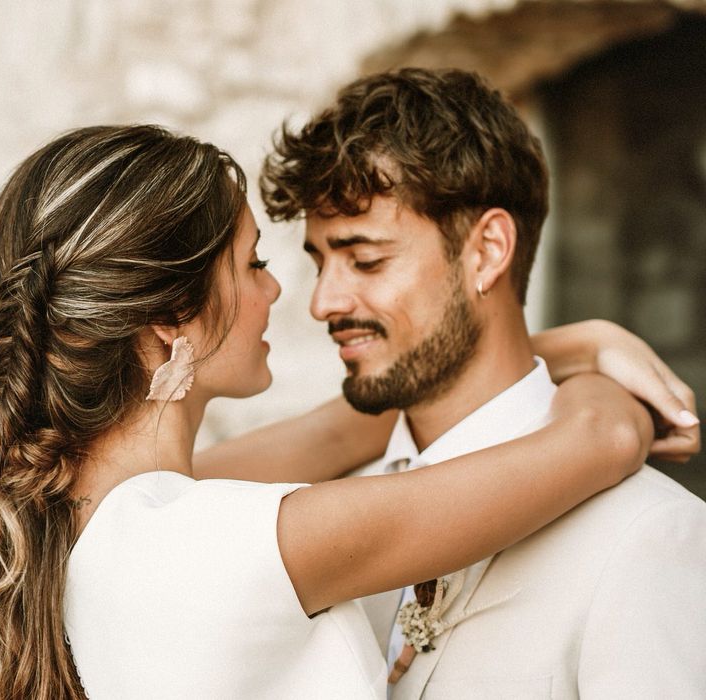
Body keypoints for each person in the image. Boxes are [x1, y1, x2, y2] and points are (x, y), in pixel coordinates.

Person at [0, 125, 684, 700]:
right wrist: (597, 356)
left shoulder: (105, 510)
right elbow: (606, 435)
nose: (288, 297)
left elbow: (341, 427)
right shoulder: (204, 541)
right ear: (172, 317)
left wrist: (564, 344)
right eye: (253, 265)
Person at [254, 68, 706, 698]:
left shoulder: (650, 536)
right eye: (320, 262)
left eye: (365, 259)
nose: (324, 302)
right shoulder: (326, 518)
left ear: (489, 250)